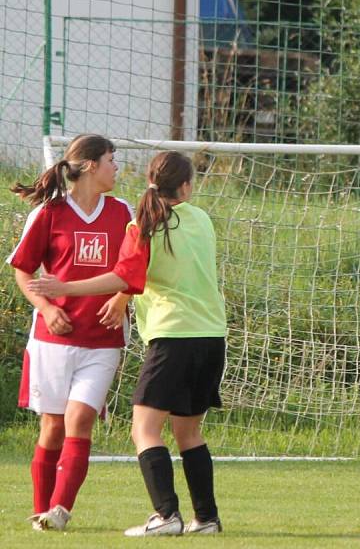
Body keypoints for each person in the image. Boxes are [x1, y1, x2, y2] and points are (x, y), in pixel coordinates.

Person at [28, 150, 227, 537]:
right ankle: (206, 519)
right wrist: (124, 294)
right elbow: (137, 278)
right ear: (185, 187)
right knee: (189, 433)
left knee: (144, 430)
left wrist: (65, 287)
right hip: (212, 337)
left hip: (173, 337)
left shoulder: (144, 227)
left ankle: (166, 515)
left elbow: (125, 276)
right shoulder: (201, 220)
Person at [7, 134, 132, 531]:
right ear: (92, 165)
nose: (117, 167)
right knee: (53, 426)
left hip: (102, 341)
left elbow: (136, 268)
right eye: (112, 159)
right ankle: (41, 510)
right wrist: (46, 307)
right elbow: (22, 270)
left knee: (80, 420)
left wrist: (122, 299)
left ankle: (60, 509)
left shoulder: (122, 211)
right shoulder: (49, 213)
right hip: (52, 339)